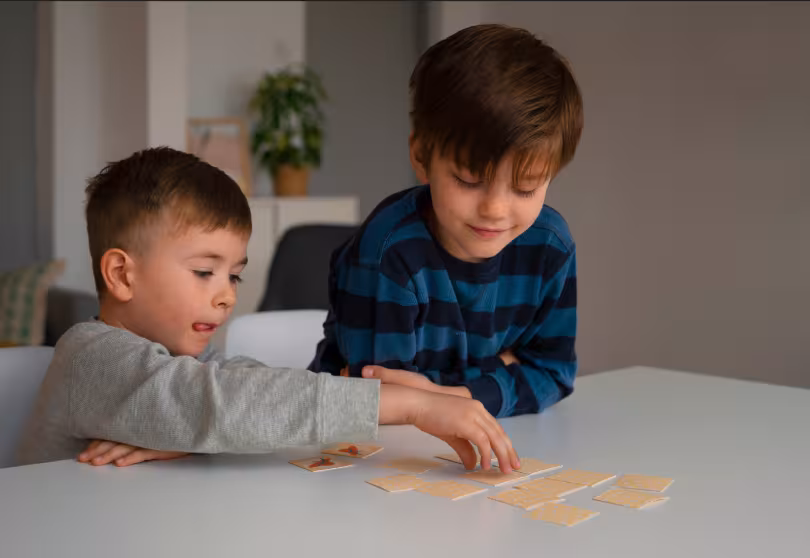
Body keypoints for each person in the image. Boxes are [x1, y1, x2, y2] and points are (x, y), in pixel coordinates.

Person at [16, 147, 519, 473]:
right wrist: (409, 405)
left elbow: (248, 391)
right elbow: (217, 403)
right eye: (203, 272)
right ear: (123, 275)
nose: (227, 295)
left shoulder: (184, 357)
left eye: (233, 275)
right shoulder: (89, 355)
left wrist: (196, 434)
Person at [310, 24, 583, 419]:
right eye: (469, 180)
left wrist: (447, 395)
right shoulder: (389, 251)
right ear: (422, 156)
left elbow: (555, 373)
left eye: (525, 189)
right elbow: (378, 400)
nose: (495, 209)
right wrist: (502, 369)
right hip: (354, 452)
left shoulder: (551, 247)